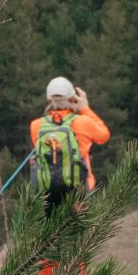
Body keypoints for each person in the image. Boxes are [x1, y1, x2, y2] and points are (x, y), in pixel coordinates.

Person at [28, 78, 111, 207]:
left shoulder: (36, 125)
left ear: (49, 100)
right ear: (73, 99)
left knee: (52, 226)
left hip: (46, 192)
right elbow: (104, 136)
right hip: (79, 190)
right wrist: (85, 108)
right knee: (78, 226)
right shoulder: (83, 122)